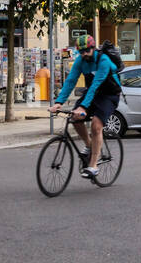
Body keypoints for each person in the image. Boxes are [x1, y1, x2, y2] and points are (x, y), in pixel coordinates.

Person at [49, 36, 122, 180]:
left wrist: (83, 107)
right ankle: (89, 145)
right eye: (81, 51)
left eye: (87, 50)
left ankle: (93, 165)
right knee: (75, 118)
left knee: (96, 125)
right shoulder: (80, 61)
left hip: (109, 95)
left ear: (93, 48)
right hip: (92, 94)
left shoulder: (103, 60)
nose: (84, 54)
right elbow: (71, 81)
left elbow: (95, 85)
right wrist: (59, 102)